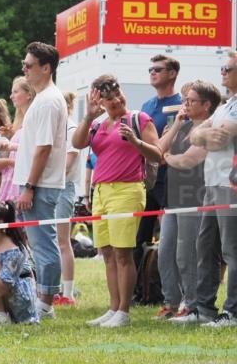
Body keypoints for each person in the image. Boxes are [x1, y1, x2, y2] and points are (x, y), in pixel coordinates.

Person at [73, 75, 162, 328]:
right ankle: (113, 308)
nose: (115, 101)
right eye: (108, 98)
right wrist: (89, 116)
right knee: (108, 253)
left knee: (123, 254)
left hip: (127, 190)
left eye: (118, 95)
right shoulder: (98, 125)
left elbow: (158, 154)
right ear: (100, 101)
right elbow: (77, 143)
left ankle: (124, 310)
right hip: (101, 191)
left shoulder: (139, 119)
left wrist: (135, 141)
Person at [175, 51, 237, 327]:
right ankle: (204, 309)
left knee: (231, 250)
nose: (222, 71)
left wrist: (208, 134)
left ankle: (232, 311)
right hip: (213, 183)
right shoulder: (226, 105)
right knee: (206, 247)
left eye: (228, 67)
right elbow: (196, 135)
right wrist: (205, 133)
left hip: (230, 184)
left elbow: (221, 134)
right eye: (222, 67)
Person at [153, 81, 217, 320]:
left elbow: (187, 161)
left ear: (206, 105)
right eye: (184, 100)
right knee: (165, 252)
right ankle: (171, 302)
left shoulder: (209, 128)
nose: (185, 104)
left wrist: (168, 157)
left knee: (187, 253)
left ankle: (191, 305)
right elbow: (158, 150)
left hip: (195, 197)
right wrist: (177, 124)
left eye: (190, 100)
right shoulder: (182, 125)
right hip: (172, 198)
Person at [14, 42, 68, 320]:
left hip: (41, 185)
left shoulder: (48, 100)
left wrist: (30, 186)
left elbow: (44, 148)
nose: (24, 70)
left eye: (29, 65)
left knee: (44, 244)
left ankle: (46, 303)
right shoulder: (43, 98)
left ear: (46, 68)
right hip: (36, 183)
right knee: (39, 243)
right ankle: (43, 297)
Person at [136, 54, 182, 275]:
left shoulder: (182, 104)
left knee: (168, 237)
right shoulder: (147, 105)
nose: (152, 72)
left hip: (170, 178)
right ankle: (138, 290)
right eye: (150, 69)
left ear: (172, 73)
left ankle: (166, 289)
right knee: (139, 236)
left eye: (158, 69)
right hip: (146, 178)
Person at [53, 92, 85, 306]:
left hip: (63, 188)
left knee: (62, 241)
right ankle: (52, 289)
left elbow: (67, 166)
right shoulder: (54, 129)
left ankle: (69, 292)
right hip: (51, 188)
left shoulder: (71, 130)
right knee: (52, 241)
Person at [0, 78, 36, 204]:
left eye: (15, 92)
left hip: (23, 184)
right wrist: (8, 137)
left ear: (29, 94)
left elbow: (35, 154)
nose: (11, 96)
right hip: (12, 181)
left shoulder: (34, 120)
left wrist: (7, 161)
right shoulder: (20, 123)